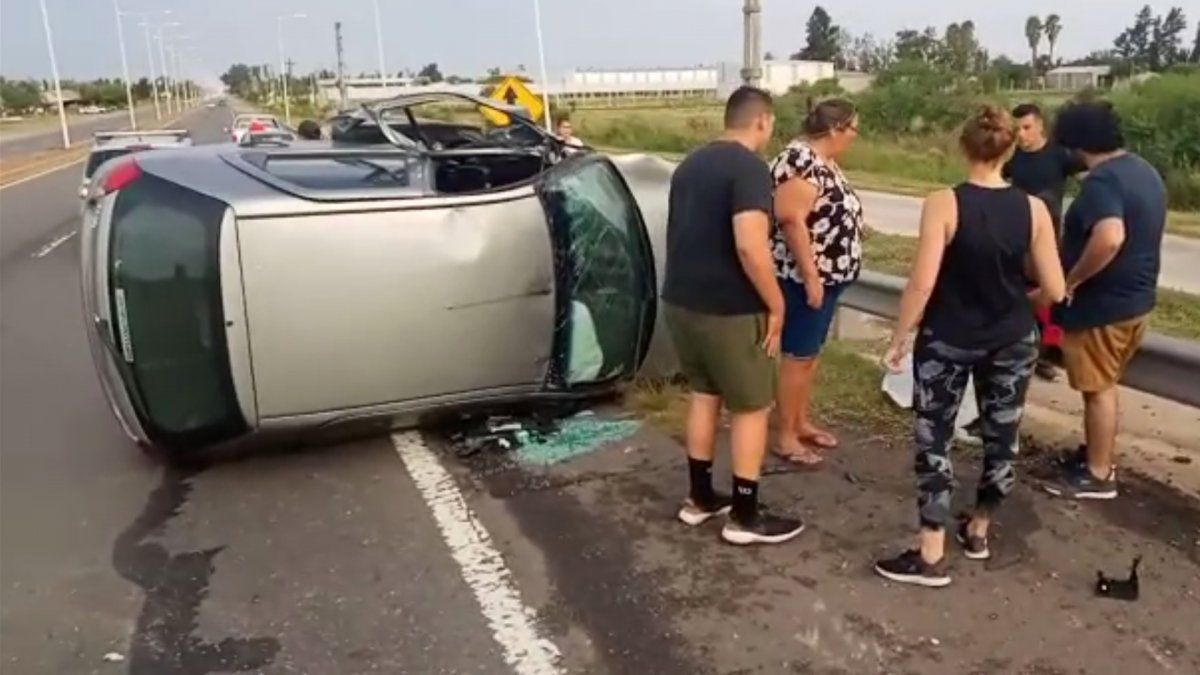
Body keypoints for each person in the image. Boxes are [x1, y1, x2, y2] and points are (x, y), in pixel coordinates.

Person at [874, 105, 1065, 587]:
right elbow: (1057, 290)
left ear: (964, 147)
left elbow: (922, 282)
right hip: (1012, 339)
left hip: (949, 337)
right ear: (1009, 150)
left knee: (933, 437)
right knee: (1003, 438)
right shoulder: (1034, 210)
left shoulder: (943, 203)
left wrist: (900, 337)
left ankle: (932, 549)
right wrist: (1018, 302)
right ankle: (979, 529)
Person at [662, 86, 805, 545]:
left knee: (704, 395)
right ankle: (745, 515)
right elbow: (749, 244)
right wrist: (776, 303)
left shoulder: (689, 165)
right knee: (752, 407)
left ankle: (700, 498)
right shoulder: (749, 169)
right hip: (732, 309)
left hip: (682, 302)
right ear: (761, 121)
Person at [1043, 101, 1166, 501]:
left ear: (1078, 144)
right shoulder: (1142, 170)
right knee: (1104, 385)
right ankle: (1095, 455)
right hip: (1137, 301)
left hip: (1103, 308)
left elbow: (1110, 236)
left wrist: (1073, 280)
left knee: (1097, 390)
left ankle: (1098, 474)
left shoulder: (1102, 182)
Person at [769, 98, 864, 465]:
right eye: (853, 129)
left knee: (810, 356)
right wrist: (811, 276)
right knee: (798, 356)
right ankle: (787, 436)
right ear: (836, 128)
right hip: (804, 278)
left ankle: (800, 421)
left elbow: (826, 211)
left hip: (829, 275)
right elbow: (792, 220)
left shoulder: (824, 162)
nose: (855, 137)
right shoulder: (801, 160)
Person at [1004, 103, 1088, 381]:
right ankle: (1015, 349)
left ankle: (1043, 353)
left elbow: (1092, 177)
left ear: (1040, 126)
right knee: (1015, 293)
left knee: (1048, 298)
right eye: (1017, 129)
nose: (1021, 135)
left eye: (1027, 128)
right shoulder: (1012, 158)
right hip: (1015, 236)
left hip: (1049, 238)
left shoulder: (1059, 154)